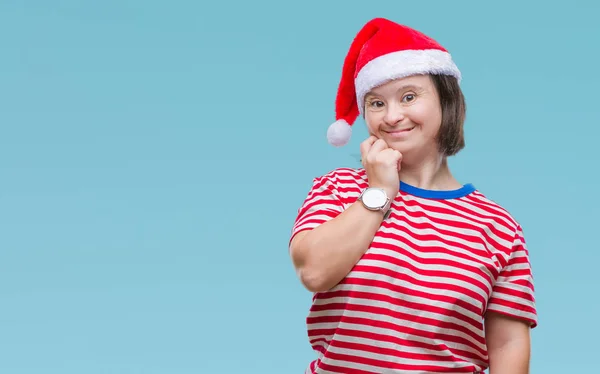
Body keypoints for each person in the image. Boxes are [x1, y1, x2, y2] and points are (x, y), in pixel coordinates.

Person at [288, 18, 538, 374]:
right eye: (376, 103)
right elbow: (313, 271)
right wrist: (379, 192)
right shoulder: (337, 189)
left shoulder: (499, 227)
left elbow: (508, 345)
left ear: (446, 100)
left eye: (409, 96)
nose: (391, 116)